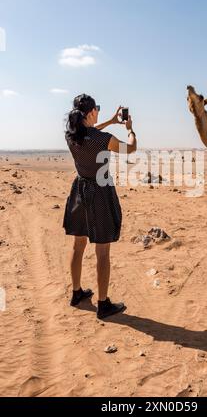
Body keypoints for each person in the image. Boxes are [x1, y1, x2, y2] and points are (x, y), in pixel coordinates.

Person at [63, 94, 137, 319]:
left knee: (78, 245)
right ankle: (103, 304)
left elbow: (89, 131)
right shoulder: (103, 139)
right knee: (102, 252)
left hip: (80, 191)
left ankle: (77, 293)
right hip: (100, 193)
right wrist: (130, 129)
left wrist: (111, 121)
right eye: (98, 109)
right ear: (92, 112)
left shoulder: (71, 135)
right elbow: (131, 149)